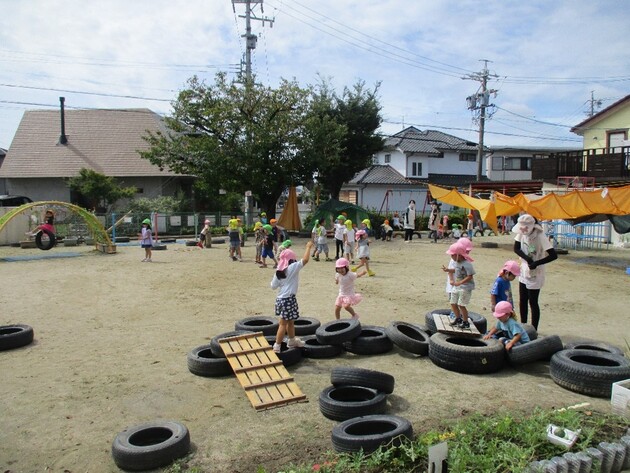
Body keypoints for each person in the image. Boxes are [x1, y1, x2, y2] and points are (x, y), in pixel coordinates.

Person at [512, 214, 557, 330]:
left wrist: (536, 263)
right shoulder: (521, 233)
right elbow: (516, 248)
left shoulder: (540, 236)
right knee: (523, 299)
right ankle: (523, 325)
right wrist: (527, 259)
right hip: (524, 269)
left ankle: (533, 329)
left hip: (536, 272)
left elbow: (553, 255)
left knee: (533, 301)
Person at [271, 242, 314, 353]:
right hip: (288, 300)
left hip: (280, 299)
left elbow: (273, 286)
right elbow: (305, 260)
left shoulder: (278, 272)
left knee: (290, 322)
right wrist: (308, 247)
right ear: (291, 260)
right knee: (283, 324)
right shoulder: (292, 268)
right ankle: (277, 345)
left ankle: (291, 340)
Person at [445, 242, 475, 329]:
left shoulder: (467, 264)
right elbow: (456, 270)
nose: (451, 257)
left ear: (459, 255)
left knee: (461, 304)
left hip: (465, 287)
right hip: (457, 286)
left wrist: (460, 282)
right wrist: (448, 270)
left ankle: (465, 322)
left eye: (452, 255)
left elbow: (470, 276)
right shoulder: (457, 262)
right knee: (453, 302)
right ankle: (458, 318)